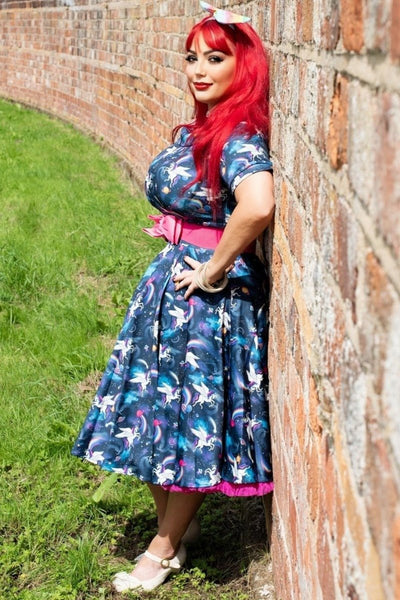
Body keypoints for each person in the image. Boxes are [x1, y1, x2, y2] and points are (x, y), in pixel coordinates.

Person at [71, 1, 275, 592]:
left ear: (247, 65)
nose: (199, 69)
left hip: (206, 303)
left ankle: (161, 550)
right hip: (173, 289)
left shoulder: (238, 135)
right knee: (158, 412)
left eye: (216, 57)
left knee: (187, 420)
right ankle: (176, 530)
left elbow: (258, 205)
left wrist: (213, 269)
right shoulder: (208, 125)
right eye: (192, 57)